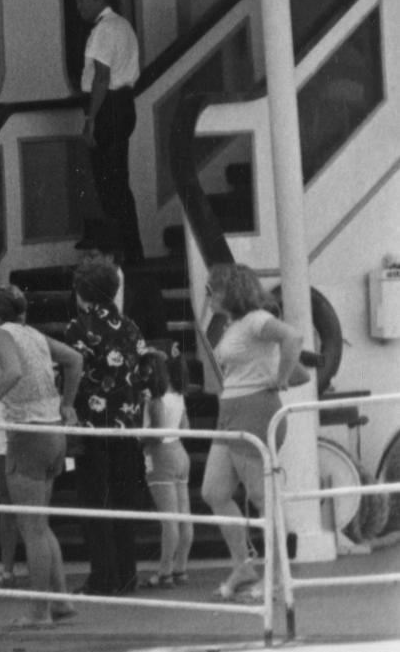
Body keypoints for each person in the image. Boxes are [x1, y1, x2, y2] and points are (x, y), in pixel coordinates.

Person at [0, 284, 79, 626]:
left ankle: (38, 611)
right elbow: (75, 360)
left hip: (26, 434)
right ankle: (60, 601)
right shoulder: (33, 334)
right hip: (53, 430)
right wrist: (67, 403)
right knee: (40, 525)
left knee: (32, 528)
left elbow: (12, 371)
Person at [198, 262, 299, 601]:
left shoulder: (256, 320)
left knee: (261, 497)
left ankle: (275, 575)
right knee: (214, 491)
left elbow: (292, 337)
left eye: (213, 290)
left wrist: (281, 377)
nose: (208, 297)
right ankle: (243, 564)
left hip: (254, 410)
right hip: (231, 412)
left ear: (230, 291)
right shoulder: (236, 325)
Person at [65, 257, 156, 599]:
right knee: (122, 503)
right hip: (126, 425)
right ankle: (127, 575)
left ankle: (103, 576)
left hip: (92, 427)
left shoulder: (78, 327)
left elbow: (71, 372)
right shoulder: (131, 326)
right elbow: (145, 371)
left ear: (80, 292)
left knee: (95, 502)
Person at [74, 0, 143, 261]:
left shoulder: (103, 30)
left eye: (82, 0)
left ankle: (119, 253)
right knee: (119, 183)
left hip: (107, 109)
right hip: (125, 105)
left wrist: (90, 120)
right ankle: (131, 250)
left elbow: (101, 77)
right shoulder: (123, 25)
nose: (78, 7)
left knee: (108, 186)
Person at [142, 353, 194, 586]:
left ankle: (164, 572)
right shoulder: (179, 397)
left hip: (160, 455)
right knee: (184, 516)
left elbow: (157, 433)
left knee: (169, 520)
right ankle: (180, 567)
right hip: (180, 452)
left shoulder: (155, 400)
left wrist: (140, 438)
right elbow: (185, 427)